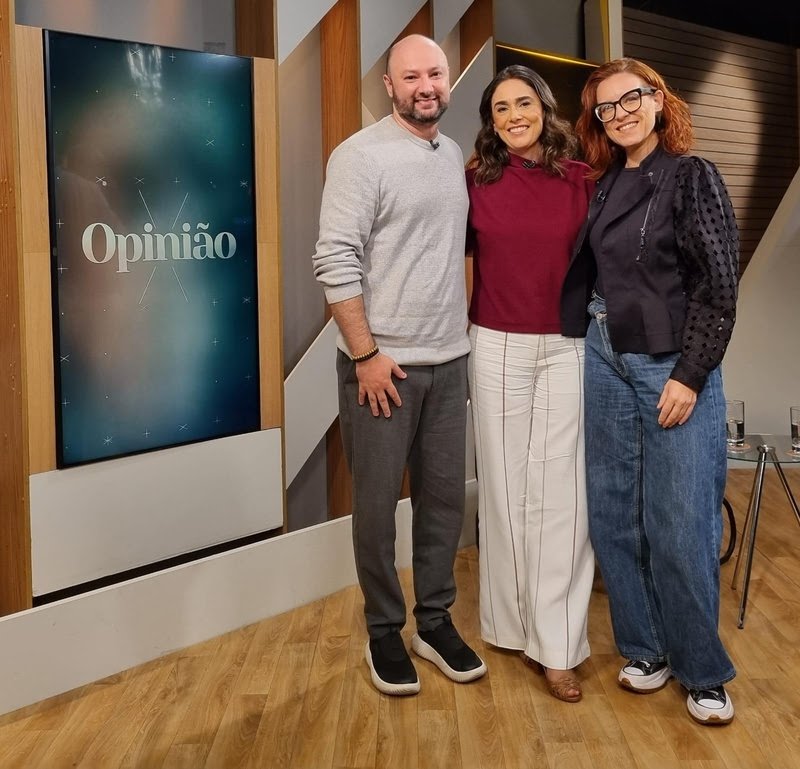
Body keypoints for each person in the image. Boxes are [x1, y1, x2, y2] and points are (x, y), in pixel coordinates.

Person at [562, 57, 738, 724]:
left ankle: (703, 672)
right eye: (606, 107)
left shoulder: (691, 175)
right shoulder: (606, 184)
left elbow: (718, 286)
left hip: (670, 363)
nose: (621, 113)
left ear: (658, 99)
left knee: (680, 521)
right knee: (614, 511)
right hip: (605, 351)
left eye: (631, 98)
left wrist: (691, 374)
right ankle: (645, 648)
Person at [312, 34, 486, 696]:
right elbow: (334, 258)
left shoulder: (452, 156)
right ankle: (384, 629)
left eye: (435, 74)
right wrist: (365, 353)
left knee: (442, 503)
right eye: (411, 76)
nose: (426, 86)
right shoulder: (360, 156)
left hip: (449, 361)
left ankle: (433, 622)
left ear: (448, 80)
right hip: (381, 368)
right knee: (378, 508)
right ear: (388, 86)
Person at [465, 65, 595, 703]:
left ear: (545, 108)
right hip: (493, 343)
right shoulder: (473, 182)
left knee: (561, 497)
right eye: (501, 108)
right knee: (505, 487)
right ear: (491, 123)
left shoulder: (583, 181)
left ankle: (558, 647)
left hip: (569, 345)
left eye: (524, 103)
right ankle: (510, 627)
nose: (514, 116)